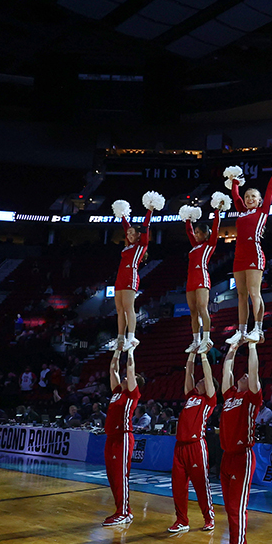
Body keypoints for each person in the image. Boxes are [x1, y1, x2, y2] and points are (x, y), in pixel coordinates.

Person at [225, 157, 272, 345]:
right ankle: (242, 330)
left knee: (254, 293)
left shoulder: (263, 211)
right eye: (247, 196)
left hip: (254, 253)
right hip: (239, 256)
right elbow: (235, 195)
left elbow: (270, 189)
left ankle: (258, 329)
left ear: (260, 200)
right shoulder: (241, 211)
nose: (249, 199)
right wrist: (234, 180)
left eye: (253, 196)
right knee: (241, 296)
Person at [214, 340, 262, 544]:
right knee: (229, 508)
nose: (242, 376)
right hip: (227, 457)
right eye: (240, 376)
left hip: (243, 456)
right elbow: (226, 372)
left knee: (237, 508)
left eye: (245, 376)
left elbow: (253, 370)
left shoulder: (252, 397)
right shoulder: (231, 395)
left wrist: (252, 346)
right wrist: (232, 350)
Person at [169, 350, 216, 534]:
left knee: (200, 485)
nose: (200, 381)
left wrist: (203, 355)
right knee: (178, 486)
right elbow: (188, 373)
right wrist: (191, 354)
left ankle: (209, 518)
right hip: (179, 446)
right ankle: (181, 520)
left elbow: (208, 375)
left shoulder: (209, 400)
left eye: (203, 381)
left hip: (196, 446)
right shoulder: (191, 397)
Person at [102, 348, 143, 526]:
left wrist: (130, 350)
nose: (125, 378)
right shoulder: (117, 392)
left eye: (128, 378)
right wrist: (117, 351)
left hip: (123, 437)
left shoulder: (132, 394)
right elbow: (113, 370)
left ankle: (124, 512)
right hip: (111, 437)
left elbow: (130, 370)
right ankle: (122, 509)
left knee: (120, 475)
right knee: (112, 476)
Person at [111, 198, 154, 350]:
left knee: (129, 307)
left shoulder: (141, 245)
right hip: (120, 279)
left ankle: (132, 337)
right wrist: (122, 214)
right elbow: (125, 226)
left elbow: (145, 226)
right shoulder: (128, 246)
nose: (128, 235)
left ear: (138, 235)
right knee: (119, 309)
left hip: (131, 277)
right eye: (127, 233)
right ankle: (120, 338)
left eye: (131, 233)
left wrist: (150, 210)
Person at [183, 199, 223, 353]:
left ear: (206, 234)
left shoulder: (210, 244)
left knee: (202, 308)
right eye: (197, 232)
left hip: (201, 277)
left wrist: (218, 211)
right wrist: (187, 218)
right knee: (193, 312)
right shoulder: (195, 246)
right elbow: (188, 231)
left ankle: (207, 338)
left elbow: (216, 226)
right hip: (190, 280)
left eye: (200, 233)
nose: (197, 235)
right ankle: (195, 340)